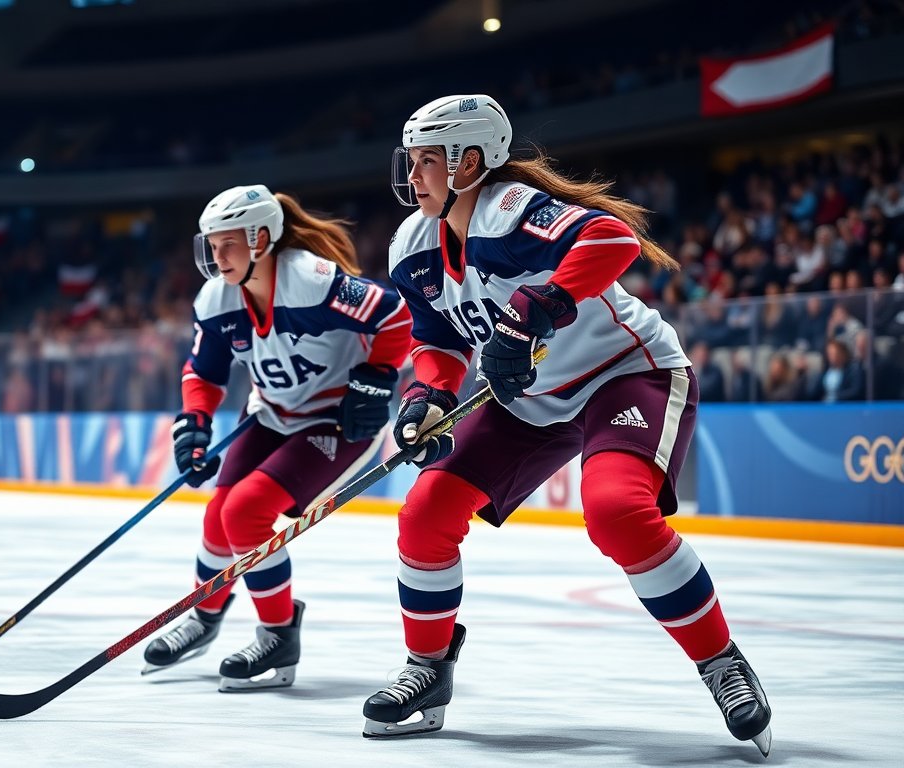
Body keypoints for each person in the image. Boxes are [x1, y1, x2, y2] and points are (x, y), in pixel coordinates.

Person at [363, 95, 772, 757]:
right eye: (411, 162)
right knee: (425, 514)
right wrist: (425, 399)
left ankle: (721, 661)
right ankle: (427, 668)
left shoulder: (509, 208)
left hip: (623, 375)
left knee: (616, 512)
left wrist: (531, 311)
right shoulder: (412, 245)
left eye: (427, 161)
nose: (413, 177)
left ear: (470, 161)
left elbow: (612, 237)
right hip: (530, 399)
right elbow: (436, 340)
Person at [141, 184, 412, 692]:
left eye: (228, 244)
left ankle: (278, 634)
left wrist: (378, 375)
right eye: (211, 245)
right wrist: (194, 423)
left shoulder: (312, 280)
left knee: (245, 512)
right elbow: (204, 371)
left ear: (261, 239)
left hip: (337, 420)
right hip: (272, 413)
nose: (217, 257)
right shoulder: (216, 299)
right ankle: (204, 617)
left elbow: (395, 315)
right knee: (218, 515)